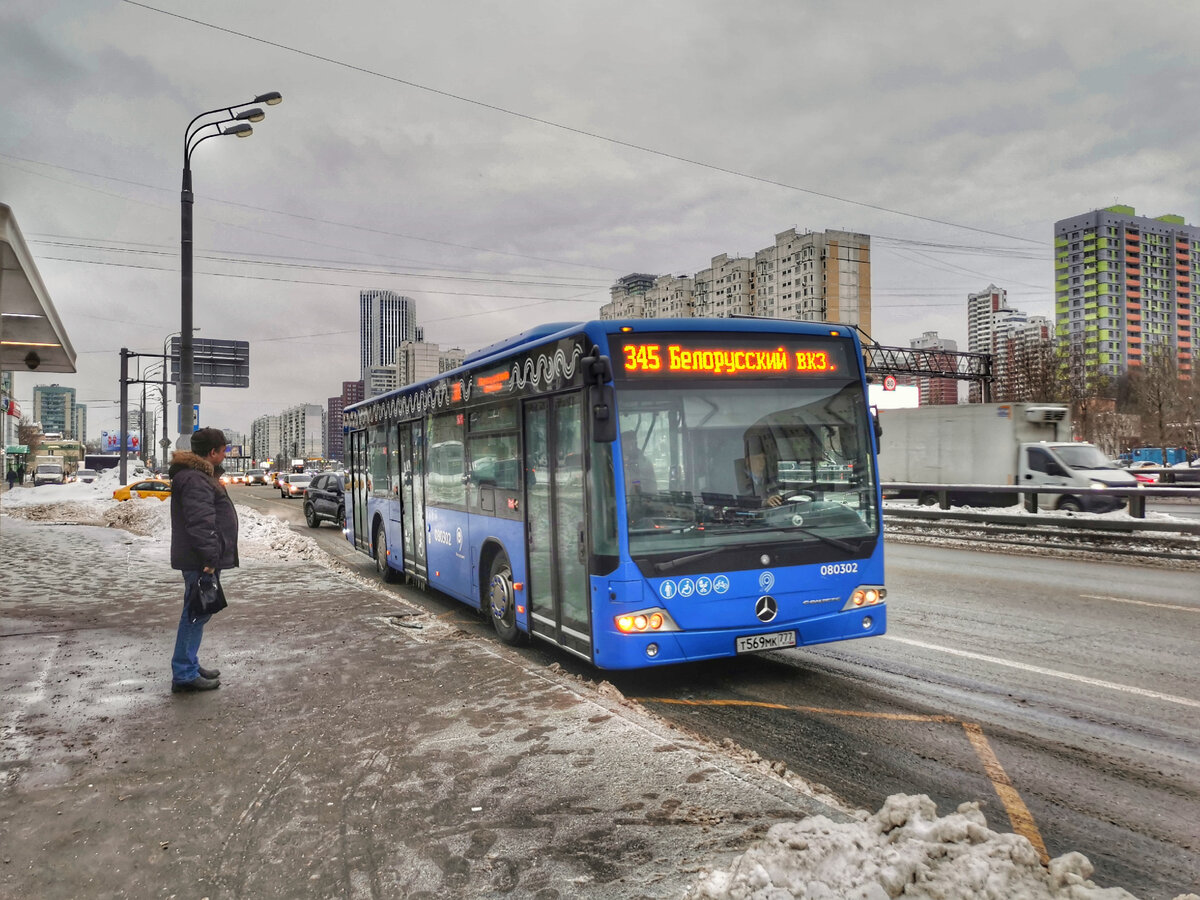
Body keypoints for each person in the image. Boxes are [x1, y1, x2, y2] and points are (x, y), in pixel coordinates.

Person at [168, 427, 238, 693]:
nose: (224, 454)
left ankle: (190, 665)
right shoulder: (196, 480)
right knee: (194, 615)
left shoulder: (196, 476)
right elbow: (200, 523)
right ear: (212, 452)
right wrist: (210, 559)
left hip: (199, 558)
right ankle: (184, 673)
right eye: (223, 450)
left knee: (198, 613)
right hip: (200, 560)